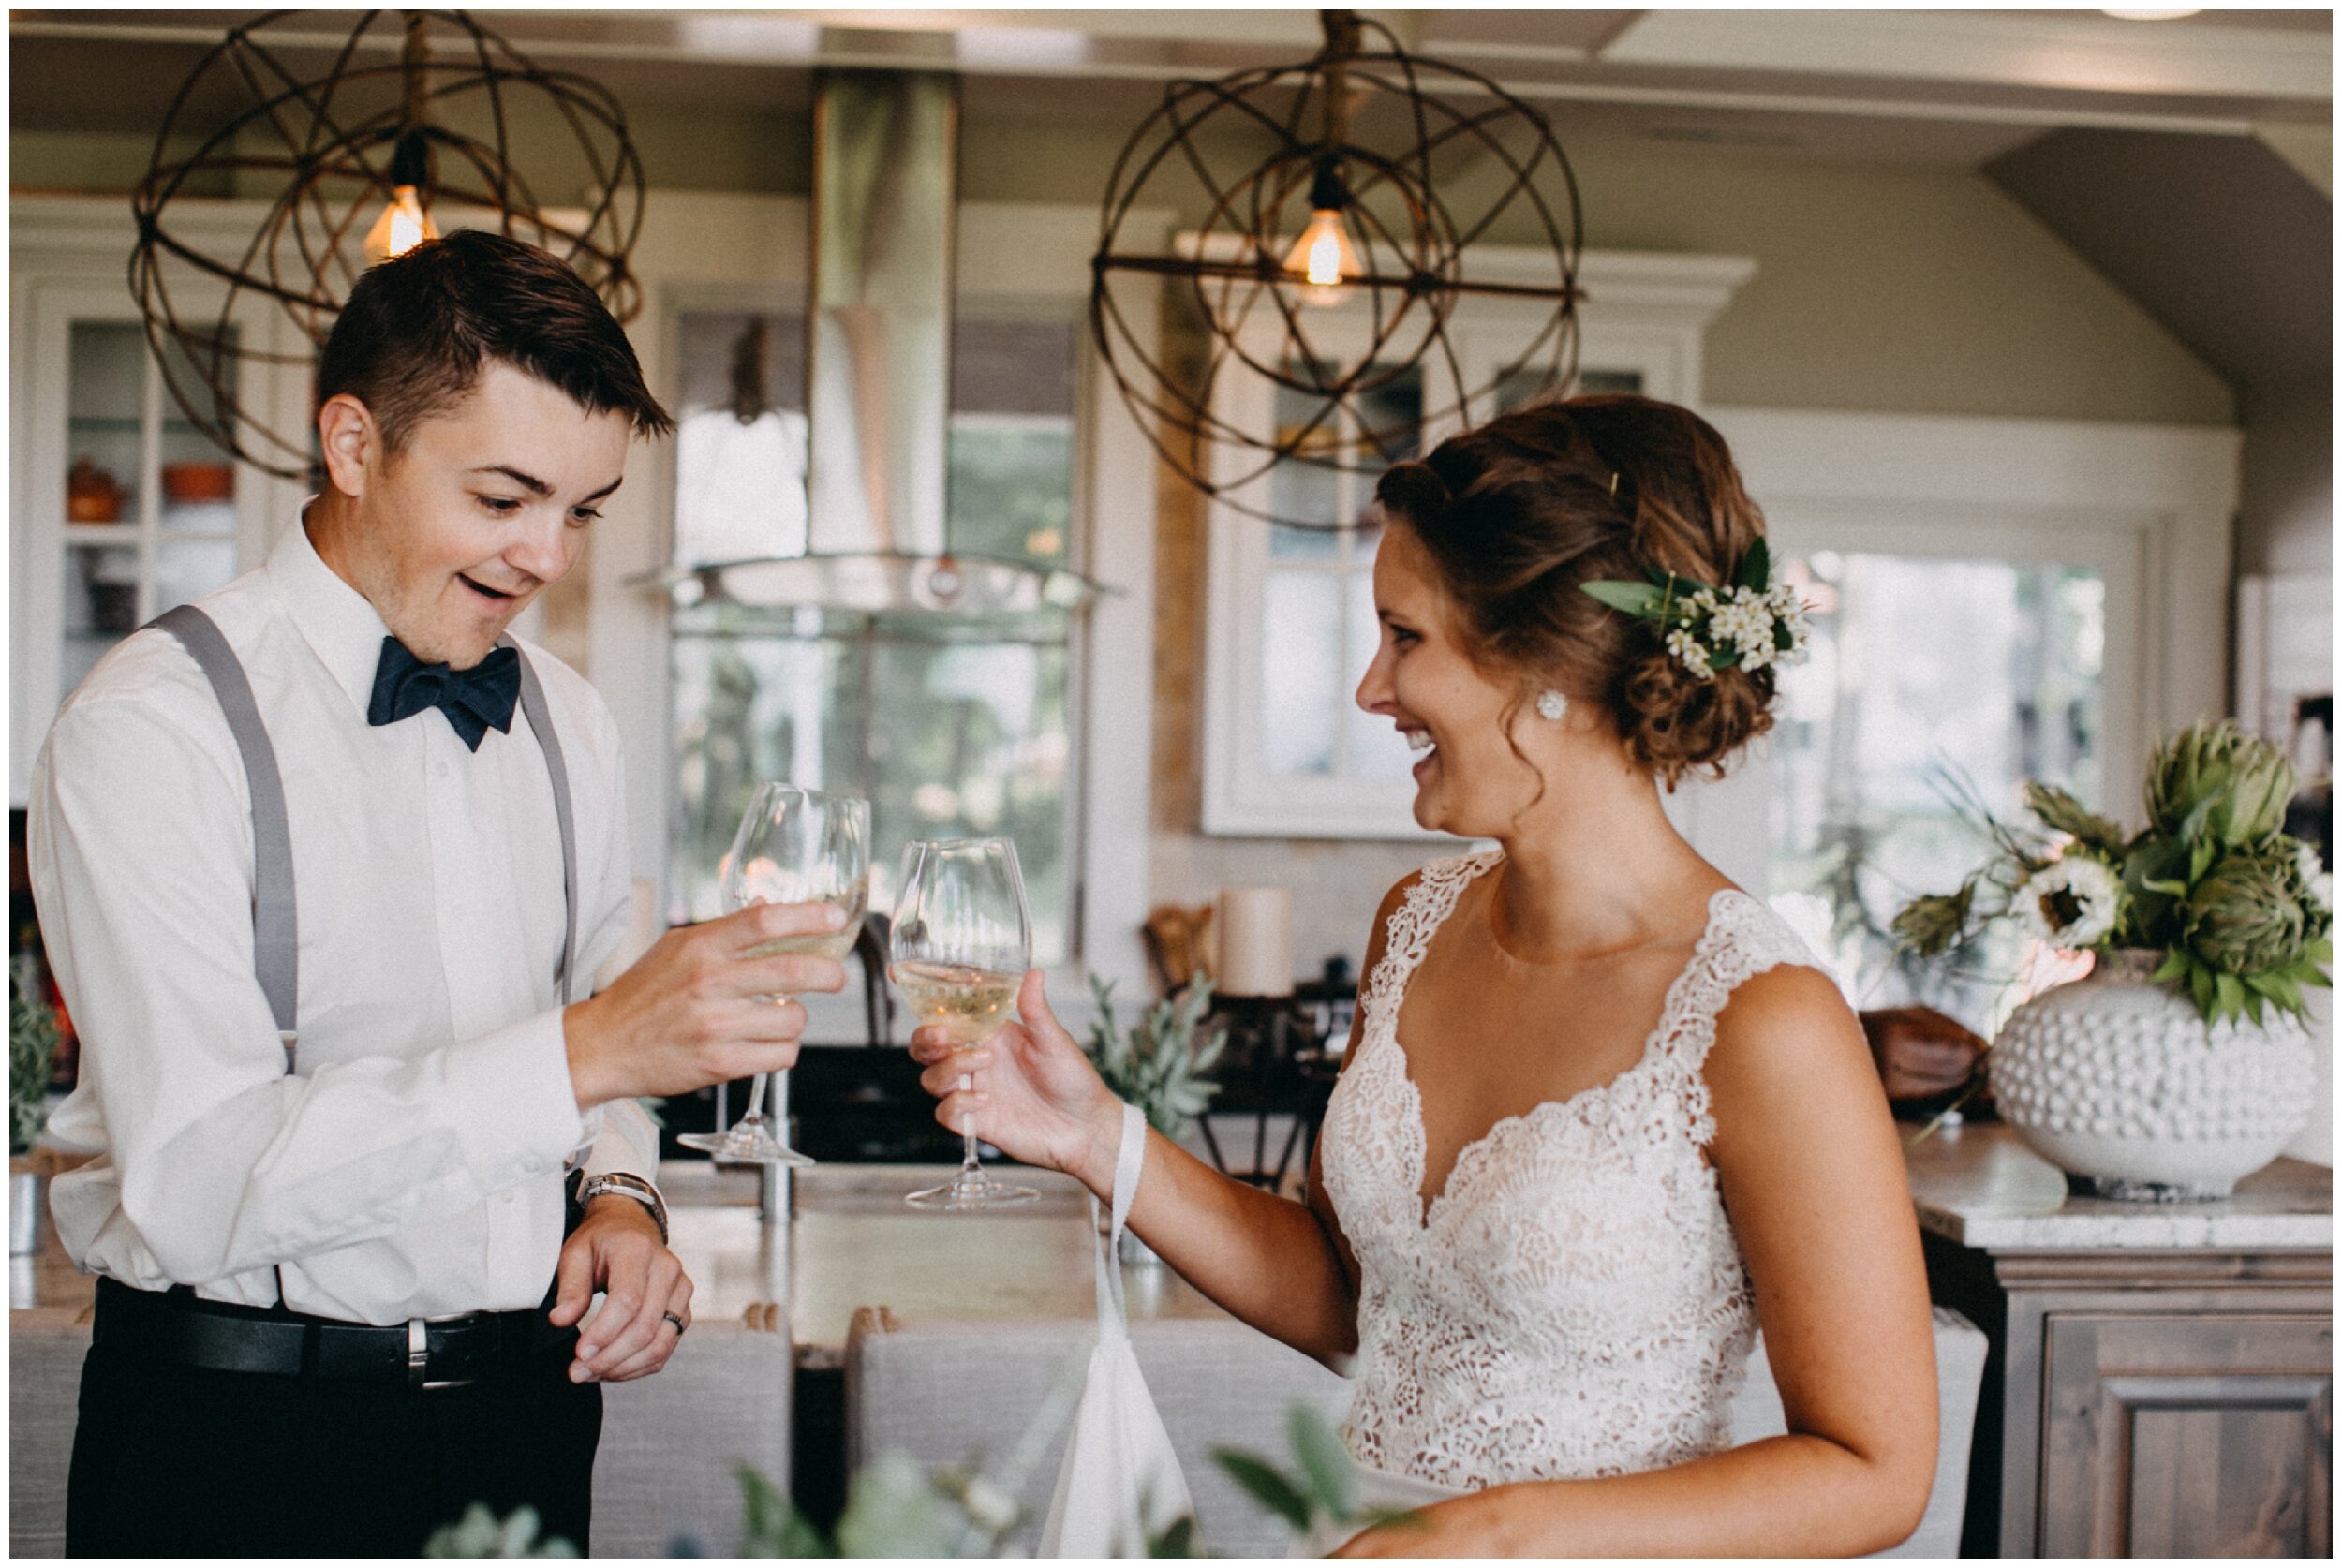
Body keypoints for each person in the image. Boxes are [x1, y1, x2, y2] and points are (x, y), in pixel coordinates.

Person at [912, 396, 1939, 1555]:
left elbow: (1873, 1472)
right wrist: (1100, 1138)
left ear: (1546, 659)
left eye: (1405, 637)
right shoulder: (1417, 925)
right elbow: (1362, 1307)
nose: (1369, 689)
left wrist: (1488, 1537)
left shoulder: (1764, 1017)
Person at [28, 230, 847, 1557]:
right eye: (505, 497)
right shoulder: (153, 726)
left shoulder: (571, 722)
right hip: (237, 1437)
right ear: (354, 446)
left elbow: (605, 1056)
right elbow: (191, 1175)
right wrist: (593, 1048)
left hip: (528, 1421)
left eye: (579, 509)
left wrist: (622, 1199)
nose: (546, 558)